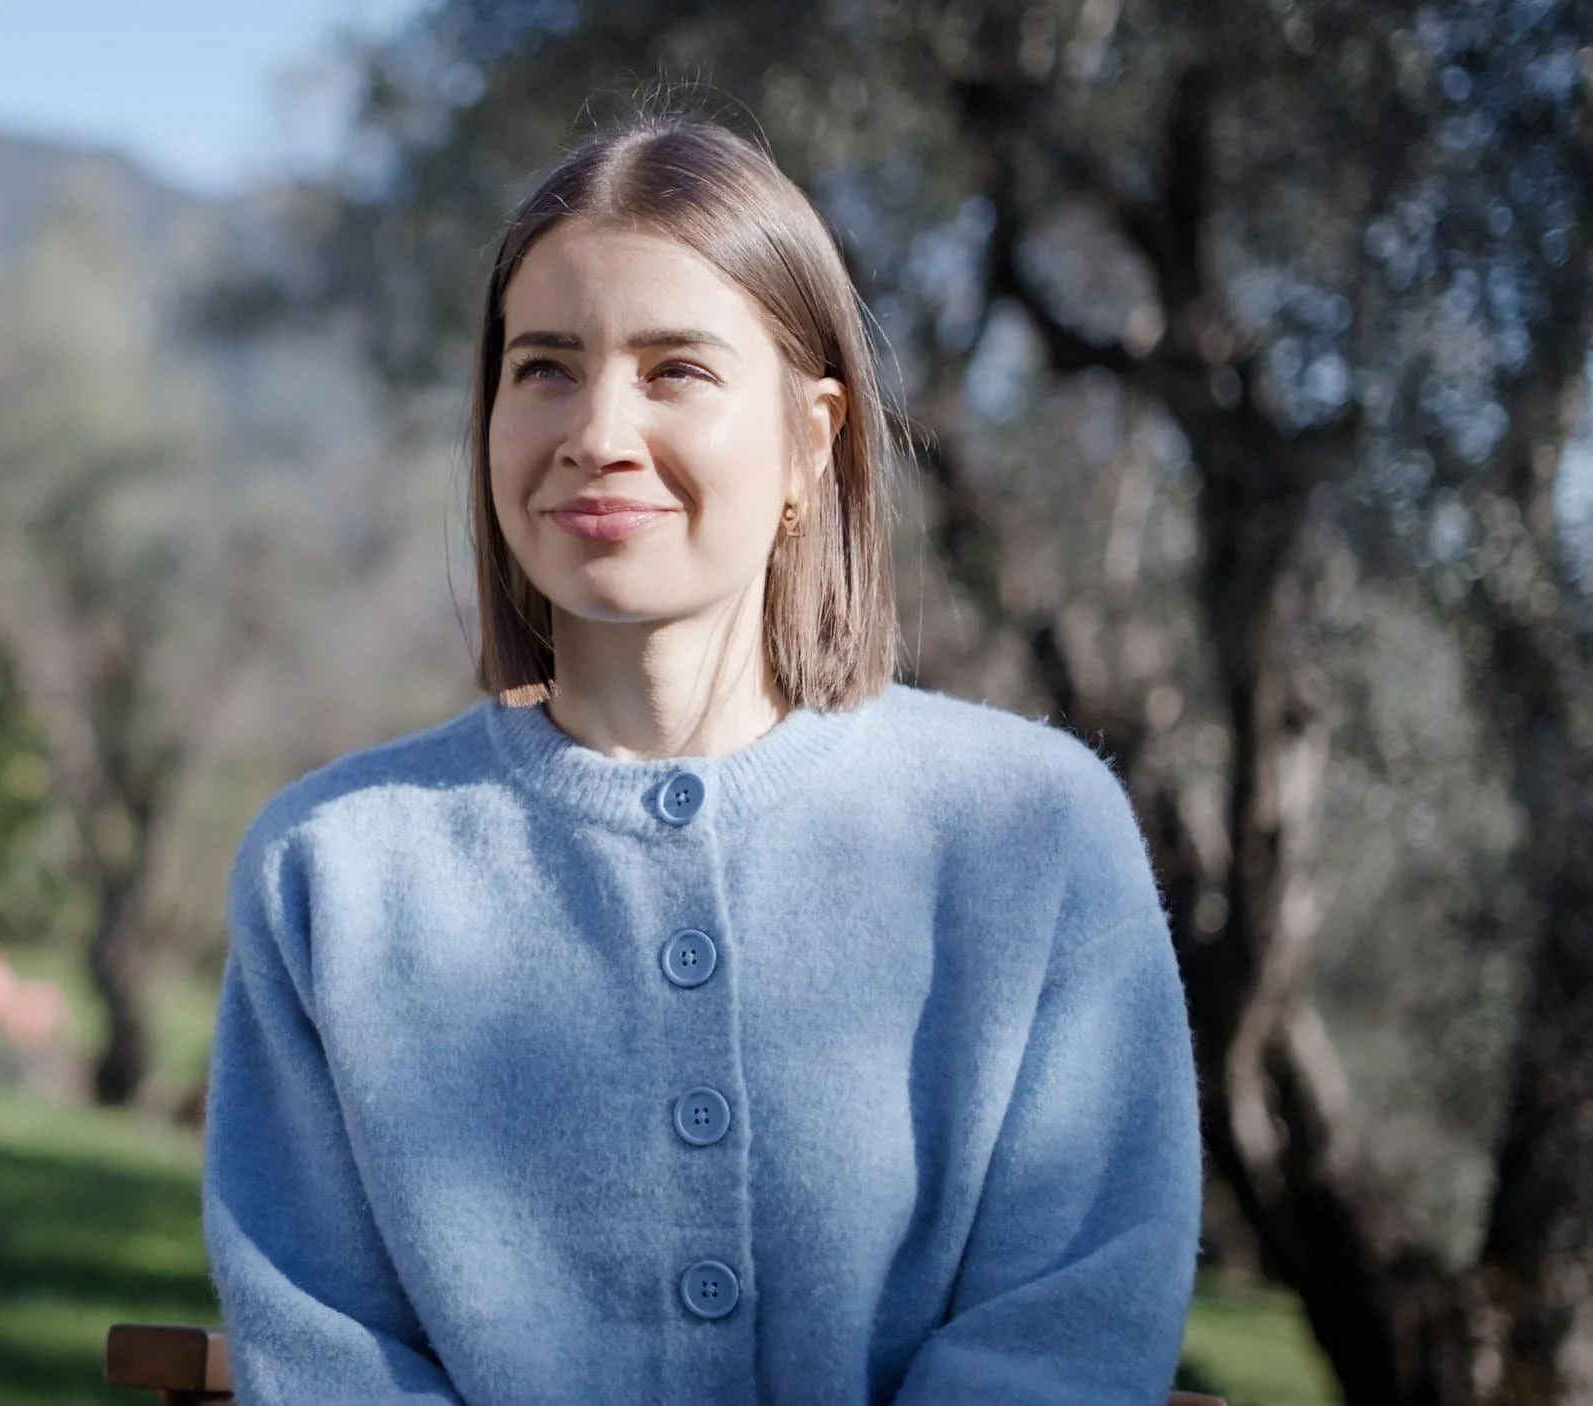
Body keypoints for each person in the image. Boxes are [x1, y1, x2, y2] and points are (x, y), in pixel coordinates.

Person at [201, 116, 1202, 1405]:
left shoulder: (1038, 834)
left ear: (811, 439)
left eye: (676, 368)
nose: (596, 432)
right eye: (544, 369)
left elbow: (1067, 1330)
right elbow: (332, 1359)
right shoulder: (325, 875)